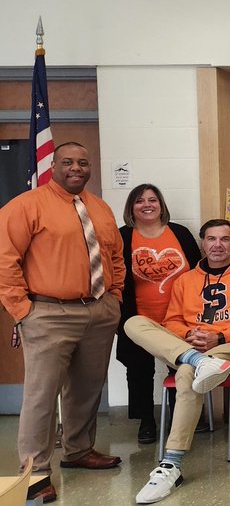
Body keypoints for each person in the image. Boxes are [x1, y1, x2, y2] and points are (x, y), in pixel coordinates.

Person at [0, 142, 125, 502]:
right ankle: (36, 472)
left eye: (83, 163)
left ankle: (79, 450)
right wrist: (22, 310)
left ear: (90, 167)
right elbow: (5, 258)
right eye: (67, 162)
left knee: (87, 388)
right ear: (53, 165)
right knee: (41, 396)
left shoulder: (99, 207)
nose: (76, 168)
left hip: (98, 311)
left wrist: (113, 296)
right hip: (48, 313)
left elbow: (114, 255)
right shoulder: (28, 205)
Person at [125, 219, 230, 504]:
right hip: (192, 348)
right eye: (211, 239)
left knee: (186, 373)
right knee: (133, 323)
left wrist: (221, 337)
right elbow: (172, 321)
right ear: (203, 242)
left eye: (224, 239)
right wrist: (189, 334)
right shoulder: (185, 280)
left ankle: (171, 465)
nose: (218, 245)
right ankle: (196, 360)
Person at [118, 184, 202, 445]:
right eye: (140, 200)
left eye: (153, 200)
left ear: (161, 205)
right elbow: (115, 277)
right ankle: (146, 421)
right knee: (139, 370)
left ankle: (182, 417)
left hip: (180, 317)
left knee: (183, 366)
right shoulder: (122, 236)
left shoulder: (180, 234)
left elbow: (199, 272)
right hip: (139, 319)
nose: (147, 205)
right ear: (131, 207)